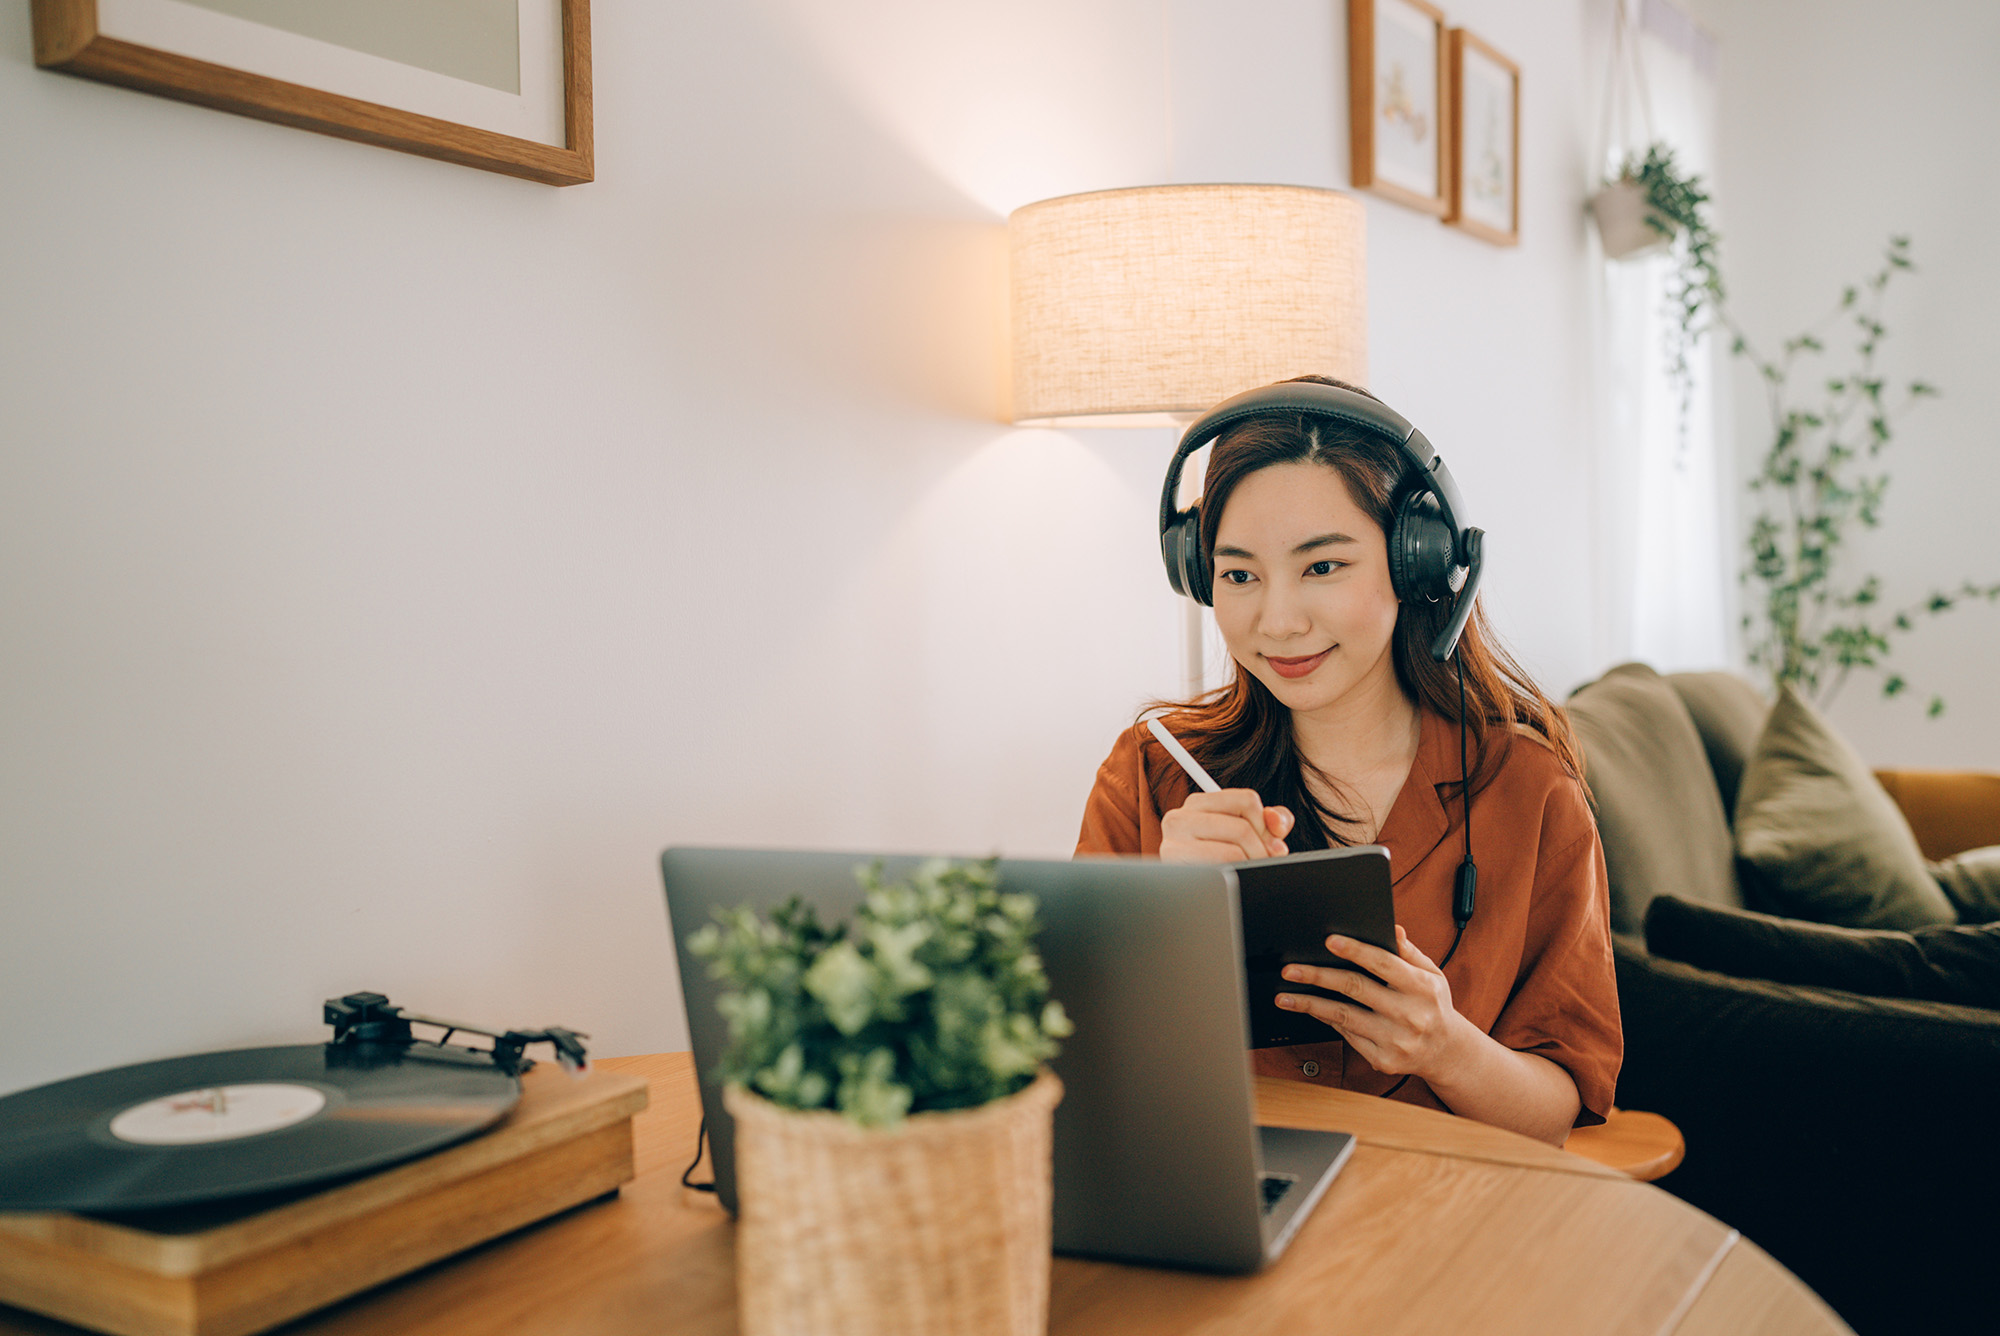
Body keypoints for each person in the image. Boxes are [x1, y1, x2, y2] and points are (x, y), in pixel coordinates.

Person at [1075, 375, 1620, 1147]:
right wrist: (1165, 915)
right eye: (1238, 575)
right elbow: (1072, 1061)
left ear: (1417, 564)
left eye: (1323, 567)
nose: (1279, 620)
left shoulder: (1530, 793)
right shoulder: (1150, 774)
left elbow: (1556, 1115)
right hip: (1225, 1201)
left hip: (1440, 1219)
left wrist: (1445, 1046)